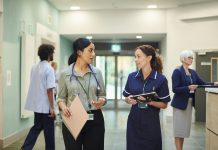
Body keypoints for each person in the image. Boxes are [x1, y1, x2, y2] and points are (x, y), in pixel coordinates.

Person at [57, 38, 107, 150]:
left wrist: (101, 101)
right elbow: (60, 98)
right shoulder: (65, 74)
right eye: (90, 50)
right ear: (79, 52)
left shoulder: (97, 73)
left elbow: (103, 95)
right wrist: (64, 107)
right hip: (72, 117)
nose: (93, 54)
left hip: (95, 119)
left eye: (93, 51)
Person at [123, 45, 171, 150]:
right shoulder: (132, 77)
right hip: (133, 123)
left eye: (139, 56)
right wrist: (128, 99)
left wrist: (150, 102)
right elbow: (126, 96)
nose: (136, 60)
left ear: (149, 58)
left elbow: (164, 105)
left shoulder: (160, 79)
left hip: (151, 124)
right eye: (135, 57)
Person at [171, 50, 218, 150]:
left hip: (189, 104)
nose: (191, 59)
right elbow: (175, 89)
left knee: (183, 131)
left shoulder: (193, 72)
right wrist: (188, 87)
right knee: (179, 131)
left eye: (192, 58)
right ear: (183, 59)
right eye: (189, 57)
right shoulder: (177, 71)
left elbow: (202, 83)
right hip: (180, 105)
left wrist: (214, 83)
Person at [21, 44, 56, 150]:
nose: (53, 54)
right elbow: (49, 89)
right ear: (50, 54)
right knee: (49, 133)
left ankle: (25, 148)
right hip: (46, 107)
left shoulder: (34, 67)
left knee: (37, 127)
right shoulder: (49, 69)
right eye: (52, 53)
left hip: (37, 106)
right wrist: (52, 107)